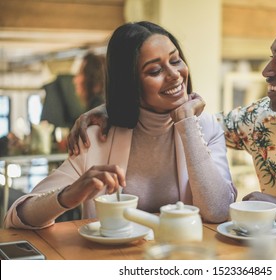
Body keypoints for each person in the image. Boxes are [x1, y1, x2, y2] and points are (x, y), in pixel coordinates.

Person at [64, 1, 276, 257]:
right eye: (270, 58)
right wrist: (115, 106)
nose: (266, 71)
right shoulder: (263, 119)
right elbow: (184, 123)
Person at [4, 21, 237, 230]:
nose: (174, 75)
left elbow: (218, 211)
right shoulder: (97, 137)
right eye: (155, 70)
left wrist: (187, 122)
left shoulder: (205, 128)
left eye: (175, 60)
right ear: (130, 83)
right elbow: (18, 216)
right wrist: (69, 195)